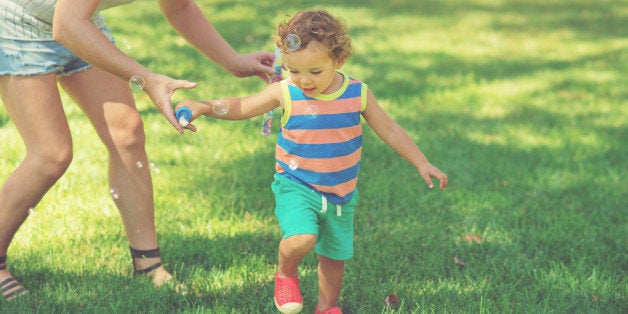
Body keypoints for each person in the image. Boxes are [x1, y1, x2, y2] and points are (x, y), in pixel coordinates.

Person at [175, 9, 449, 314]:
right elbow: (241, 106)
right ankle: (286, 272)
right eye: (294, 70)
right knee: (302, 238)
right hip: (297, 184)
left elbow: (390, 129)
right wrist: (203, 106)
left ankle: (326, 306)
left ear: (338, 61)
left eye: (315, 72)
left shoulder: (357, 93)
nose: (304, 80)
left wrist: (421, 162)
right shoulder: (286, 92)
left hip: (341, 193)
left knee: (334, 260)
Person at [0, 0, 275, 301]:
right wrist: (148, 79)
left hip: (79, 20)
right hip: (20, 23)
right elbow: (66, 25)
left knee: (127, 133)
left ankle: (148, 265)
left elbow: (179, 7)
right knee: (51, 154)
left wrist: (233, 62)